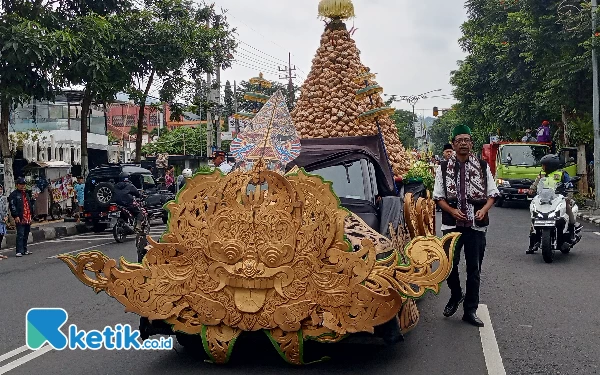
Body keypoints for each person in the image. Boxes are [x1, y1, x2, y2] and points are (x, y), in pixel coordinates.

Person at [433, 125, 500, 327]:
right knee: (448, 266)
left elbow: (492, 194)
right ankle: (456, 294)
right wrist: (452, 211)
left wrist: (484, 209)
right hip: (451, 225)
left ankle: (470, 310)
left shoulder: (482, 166)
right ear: (453, 144)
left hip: (476, 225)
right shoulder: (443, 168)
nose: (463, 143)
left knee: (474, 269)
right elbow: (438, 197)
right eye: (459, 140)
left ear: (471, 143)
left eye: (467, 140)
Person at [527, 154, 578, 253]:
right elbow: (535, 184)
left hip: (559, 199)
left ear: (550, 165)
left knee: (568, 209)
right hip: (544, 200)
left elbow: (569, 186)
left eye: (544, 165)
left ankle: (572, 229)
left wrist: (569, 197)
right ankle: (532, 244)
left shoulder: (562, 174)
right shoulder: (542, 174)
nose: (542, 167)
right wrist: (531, 190)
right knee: (535, 217)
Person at [9, 177, 35, 257]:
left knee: (26, 234)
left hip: (27, 217)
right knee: (20, 234)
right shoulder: (14, 194)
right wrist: (15, 216)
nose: (23, 186)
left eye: (24, 184)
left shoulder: (26, 194)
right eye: (21, 184)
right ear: (17, 185)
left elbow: (29, 205)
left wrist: (31, 216)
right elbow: (12, 206)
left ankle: (24, 249)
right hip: (20, 217)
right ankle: (19, 251)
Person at [0, 185, 8, 259]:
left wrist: (6, 216)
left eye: (1, 189)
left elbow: (5, 208)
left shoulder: (4, 198)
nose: (0, 190)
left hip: (2, 220)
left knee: (1, 236)